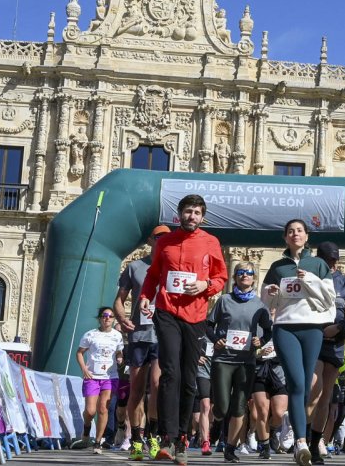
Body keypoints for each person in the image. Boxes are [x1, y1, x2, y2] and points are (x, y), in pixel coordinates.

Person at [139, 194, 228, 465]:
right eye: (188, 211)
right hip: (166, 312)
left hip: (196, 315)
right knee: (170, 373)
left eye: (197, 212)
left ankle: (182, 439)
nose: (192, 216)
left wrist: (205, 286)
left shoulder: (210, 242)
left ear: (202, 217)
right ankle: (167, 436)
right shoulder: (165, 242)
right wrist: (145, 296)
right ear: (179, 214)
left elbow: (221, 277)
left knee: (189, 378)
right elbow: (154, 274)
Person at [261, 219, 337, 466]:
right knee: (295, 382)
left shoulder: (318, 264)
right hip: (285, 327)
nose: (295, 234)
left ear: (307, 236)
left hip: (312, 328)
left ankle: (294, 424)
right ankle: (301, 443)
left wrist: (310, 280)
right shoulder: (277, 267)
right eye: (291, 231)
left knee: (305, 387)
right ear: (285, 237)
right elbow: (265, 300)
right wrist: (271, 293)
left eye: (300, 231)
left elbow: (329, 298)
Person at [307, 242, 345, 463]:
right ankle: (301, 439)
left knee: (325, 397)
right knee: (314, 389)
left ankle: (314, 444)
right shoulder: (307, 278)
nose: (331, 264)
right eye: (327, 260)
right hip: (313, 341)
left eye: (334, 260)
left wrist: (341, 327)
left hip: (336, 344)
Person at [115, 225, 169, 461]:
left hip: (163, 334)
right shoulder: (135, 267)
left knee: (157, 385)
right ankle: (136, 439)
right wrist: (122, 318)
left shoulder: (173, 267)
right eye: (159, 237)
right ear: (150, 240)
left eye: (167, 238)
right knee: (136, 389)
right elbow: (119, 300)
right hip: (139, 335)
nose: (162, 241)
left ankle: (153, 435)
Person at [210, 261, 273, 462]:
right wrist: (216, 340)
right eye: (240, 272)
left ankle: (230, 448)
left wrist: (260, 341)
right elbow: (208, 325)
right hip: (223, 359)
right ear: (235, 277)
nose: (244, 275)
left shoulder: (259, 305)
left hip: (246, 362)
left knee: (238, 407)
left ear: (254, 278)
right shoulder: (224, 300)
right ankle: (217, 418)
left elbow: (269, 330)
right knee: (222, 407)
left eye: (249, 272)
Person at [73, 306, 125, 453]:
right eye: (104, 315)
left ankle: (97, 442)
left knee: (103, 408)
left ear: (113, 319)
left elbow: (119, 351)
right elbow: (79, 353)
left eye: (110, 316)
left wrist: (120, 358)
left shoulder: (117, 335)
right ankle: (86, 432)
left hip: (110, 377)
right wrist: (84, 369)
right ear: (100, 318)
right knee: (90, 411)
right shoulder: (90, 334)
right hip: (92, 376)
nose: (107, 318)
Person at [249, 341, 290, 459]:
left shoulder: (283, 331)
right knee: (262, 412)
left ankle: (271, 432)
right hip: (258, 373)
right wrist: (259, 352)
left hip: (279, 373)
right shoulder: (256, 331)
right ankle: (265, 447)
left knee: (279, 414)